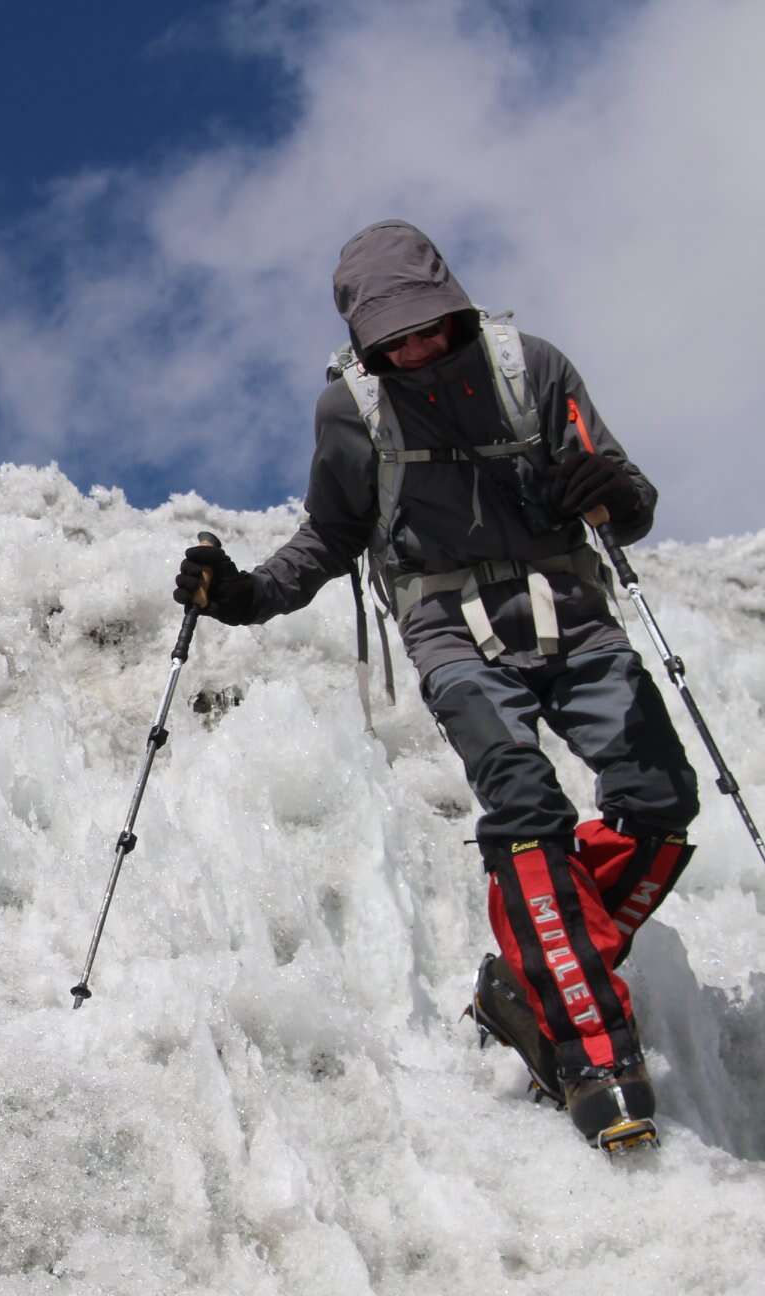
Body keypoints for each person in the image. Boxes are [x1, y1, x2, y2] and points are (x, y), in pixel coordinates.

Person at [171, 220, 698, 1149]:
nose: (412, 347)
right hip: (448, 627)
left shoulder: (532, 367)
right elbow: (330, 539)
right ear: (366, 339)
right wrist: (244, 597)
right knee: (525, 804)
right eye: (392, 337)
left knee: (661, 801)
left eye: (424, 326)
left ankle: (534, 984)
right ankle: (594, 1052)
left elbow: (630, 499)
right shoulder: (351, 413)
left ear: (450, 305)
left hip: (573, 609)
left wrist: (606, 489)